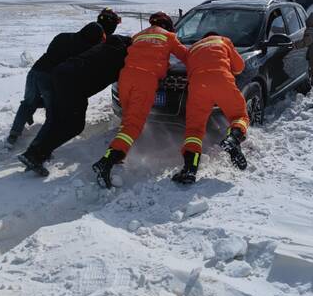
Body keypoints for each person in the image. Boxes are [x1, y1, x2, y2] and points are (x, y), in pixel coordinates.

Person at [18, 29, 131, 176]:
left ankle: (35, 153)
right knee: (74, 126)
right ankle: (35, 155)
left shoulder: (112, 43)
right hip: (74, 83)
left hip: (61, 73)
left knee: (59, 119)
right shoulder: (126, 56)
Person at [92, 12, 188, 188]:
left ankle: (120, 154)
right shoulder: (169, 37)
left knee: (128, 119)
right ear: (168, 25)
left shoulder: (138, 35)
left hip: (125, 79)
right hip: (145, 81)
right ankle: (106, 162)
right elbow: (188, 58)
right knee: (134, 125)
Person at [7, 21, 105, 147]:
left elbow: (50, 53)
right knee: (52, 113)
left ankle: (13, 136)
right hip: (50, 78)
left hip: (35, 71)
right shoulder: (85, 49)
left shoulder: (63, 36)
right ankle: (38, 147)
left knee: (28, 103)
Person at [171, 32, 250, 184]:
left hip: (198, 85)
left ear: (203, 38)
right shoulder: (224, 40)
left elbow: (190, 69)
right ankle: (233, 138)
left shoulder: (193, 48)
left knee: (194, 129)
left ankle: (190, 169)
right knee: (239, 116)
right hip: (222, 80)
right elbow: (239, 67)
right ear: (215, 36)